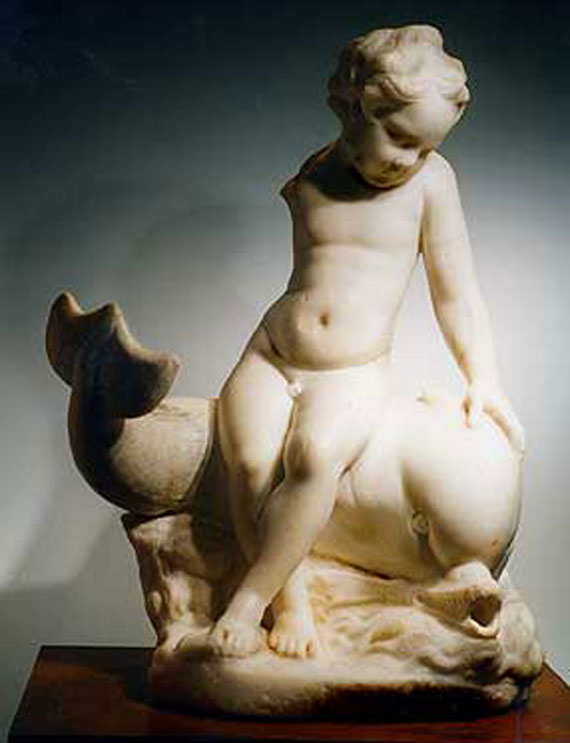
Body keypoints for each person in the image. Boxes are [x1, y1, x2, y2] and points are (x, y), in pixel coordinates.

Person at [209, 25, 525, 658]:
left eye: (426, 147)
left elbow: (456, 294)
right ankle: (290, 599)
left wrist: (484, 378)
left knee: (313, 458)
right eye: (401, 139)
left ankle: (247, 603)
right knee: (247, 464)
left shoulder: (431, 184)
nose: (410, 159)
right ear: (355, 107)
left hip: (351, 369)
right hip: (272, 349)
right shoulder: (314, 171)